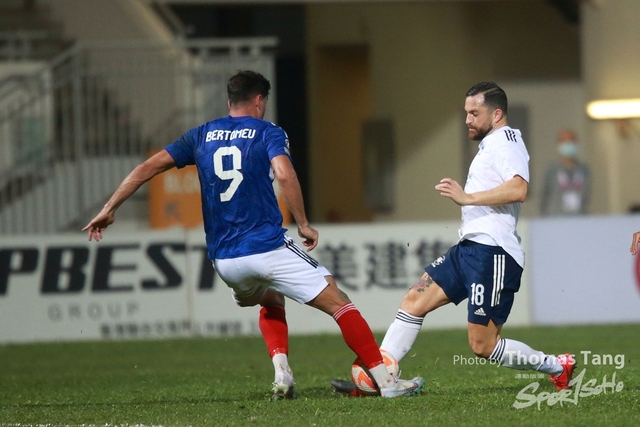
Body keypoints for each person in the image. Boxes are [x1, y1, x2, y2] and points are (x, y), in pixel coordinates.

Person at [82, 70, 424, 400]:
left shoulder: (200, 135)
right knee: (340, 302)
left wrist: (109, 208)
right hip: (267, 247)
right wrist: (303, 223)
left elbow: (147, 168)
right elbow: (284, 173)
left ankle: (282, 373)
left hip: (225, 261)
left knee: (270, 298)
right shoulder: (267, 132)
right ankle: (386, 382)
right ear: (259, 100)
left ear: (230, 100)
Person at [331, 82, 575, 397]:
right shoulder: (491, 144)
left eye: (474, 113)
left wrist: (467, 197)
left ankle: (557, 366)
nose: (467, 120)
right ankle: (383, 380)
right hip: (468, 249)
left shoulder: (506, 142)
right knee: (414, 301)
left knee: (482, 345)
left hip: (493, 253)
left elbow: (519, 189)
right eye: (466, 113)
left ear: (496, 114)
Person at [540, 129, 591, 216]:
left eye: (571, 141)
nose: (568, 144)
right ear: (559, 144)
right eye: (565, 141)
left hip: (579, 217)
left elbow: (586, 195)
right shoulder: (551, 170)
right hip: (555, 217)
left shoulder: (584, 170)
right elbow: (543, 196)